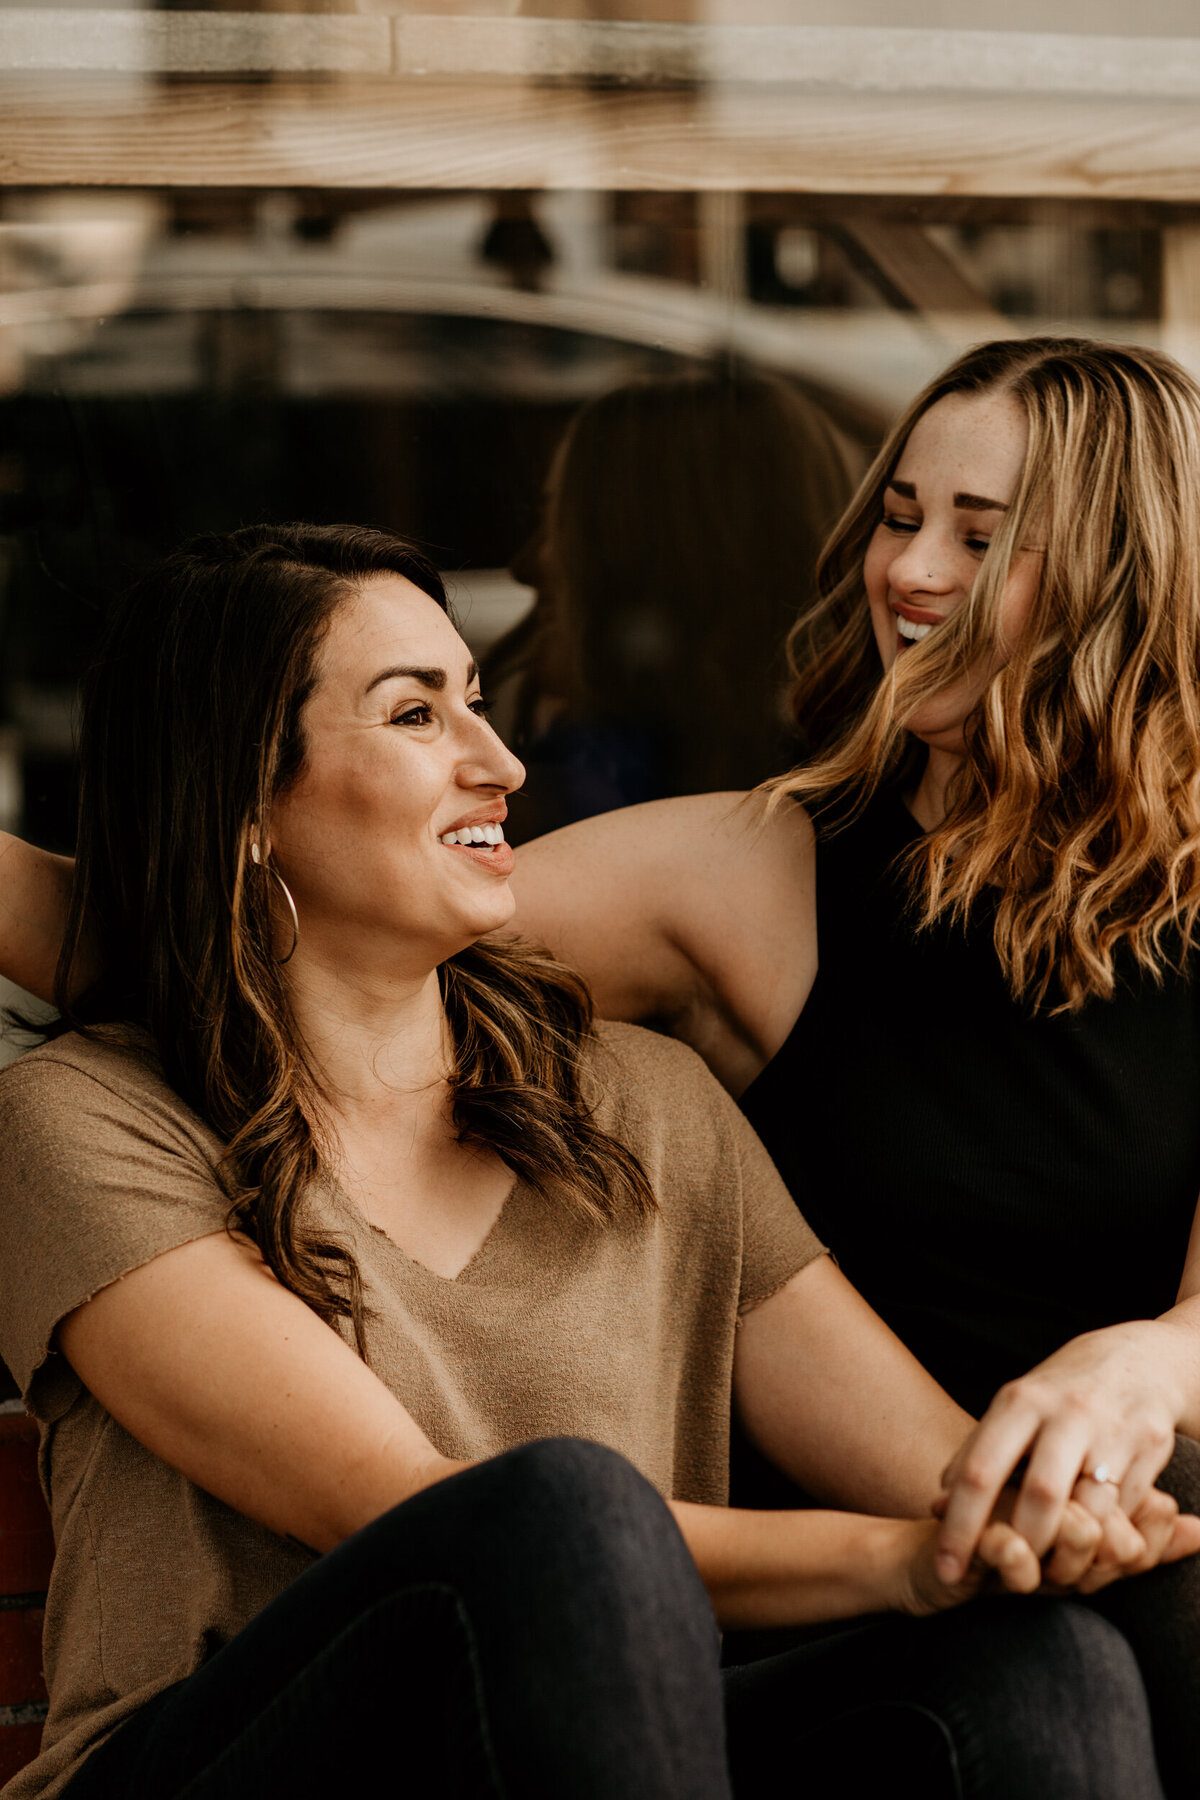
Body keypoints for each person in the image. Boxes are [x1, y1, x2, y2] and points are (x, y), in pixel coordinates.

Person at [0, 523, 1189, 1800]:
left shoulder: (640, 1104)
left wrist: (1068, 1524)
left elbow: (934, 1467)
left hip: (611, 1750)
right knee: (563, 1514)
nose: (498, 761)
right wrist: (895, 1563)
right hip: (230, 1767)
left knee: (1041, 1659)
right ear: (240, 801)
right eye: (416, 717)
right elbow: (398, 1509)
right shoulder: (86, 1121)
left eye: (477, 701)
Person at [496, 336, 1200, 1792]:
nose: (911, 572)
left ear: (1125, 581)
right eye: (900, 514)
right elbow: (282, 933)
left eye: (981, 536)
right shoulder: (763, 876)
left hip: (1129, 1554)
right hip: (870, 1623)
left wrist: (1138, 1365)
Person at [485, 367, 861, 837]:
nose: (526, 566)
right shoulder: (850, 800)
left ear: (645, 567)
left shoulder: (571, 804)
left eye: (559, 527)